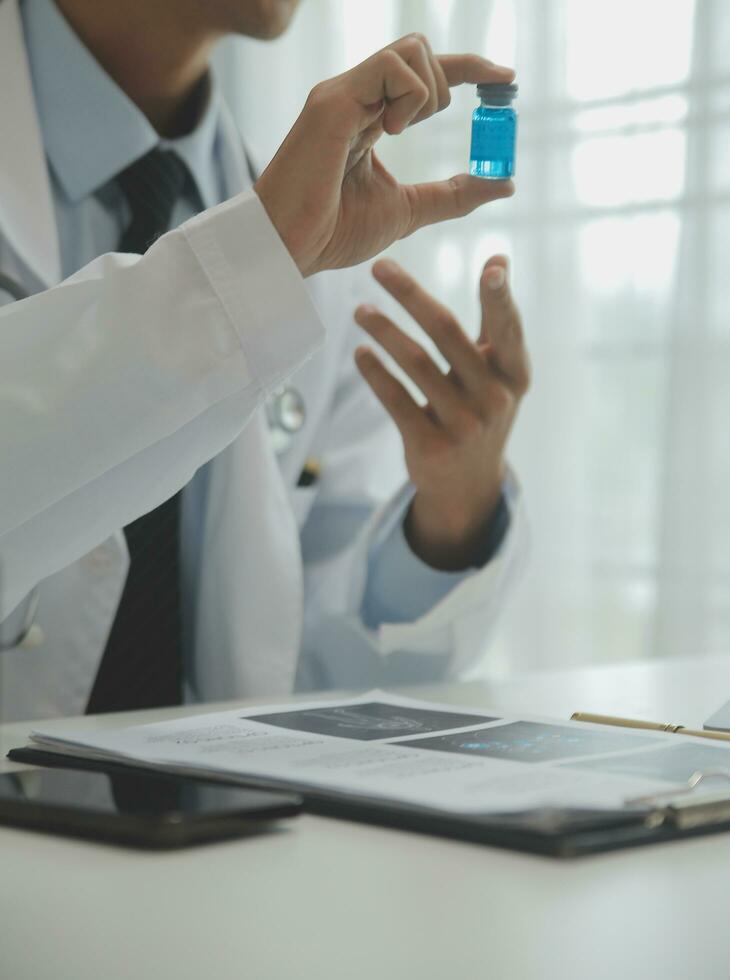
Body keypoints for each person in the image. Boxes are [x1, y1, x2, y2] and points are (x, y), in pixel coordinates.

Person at [0, 0, 531, 722]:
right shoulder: (279, 235)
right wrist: (245, 267)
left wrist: (449, 522)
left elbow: (303, 673)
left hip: (216, 829)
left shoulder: (314, 237)